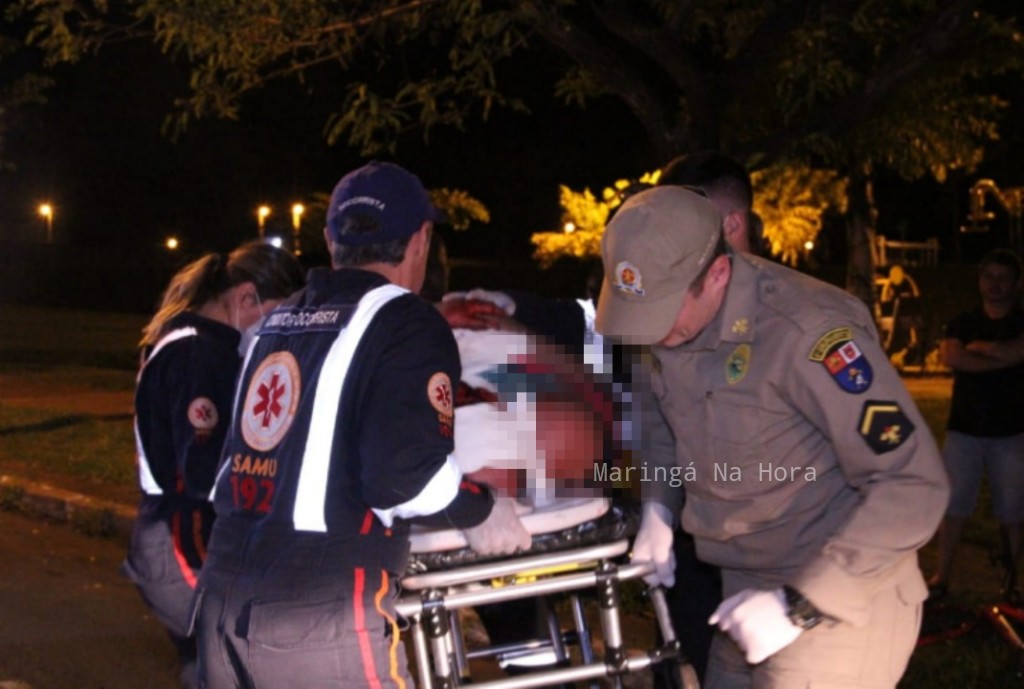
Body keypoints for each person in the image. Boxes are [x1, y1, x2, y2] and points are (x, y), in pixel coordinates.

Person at [192, 161, 530, 689]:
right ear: (421, 239)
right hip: (316, 615)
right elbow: (403, 474)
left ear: (330, 240)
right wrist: (479, 509)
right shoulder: (405, 320)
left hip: (222, 603)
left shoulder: (273, 325)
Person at [595, 186, 949, 689]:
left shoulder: (809, 332)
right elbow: (659, 424)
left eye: (663, 315)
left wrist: (797, 606)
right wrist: (659, 510)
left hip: (838, 596)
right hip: (742, 595)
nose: (649, 334)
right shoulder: (663, 324)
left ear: (718, 274)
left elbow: (913, 483)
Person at [125, 240, 305, 689]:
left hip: (175, 534)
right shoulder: (200, 353)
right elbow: (206, 469)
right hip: (184, 538)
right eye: (277, 313)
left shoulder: (196, 343)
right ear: (246, 298)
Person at [928, 248, 1024, 600]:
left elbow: (1019, 352)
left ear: (1016, 284)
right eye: (989, 277)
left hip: (1012, 432)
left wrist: (982, 350)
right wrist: (1004, 356)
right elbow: (952, 356)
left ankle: (1013, 584)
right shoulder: (963, 322)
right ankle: (942, 577)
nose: (995, 285)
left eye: (1003, 278)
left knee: (1013, 511)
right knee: (954, 508)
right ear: (979, 281)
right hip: (964, 430)